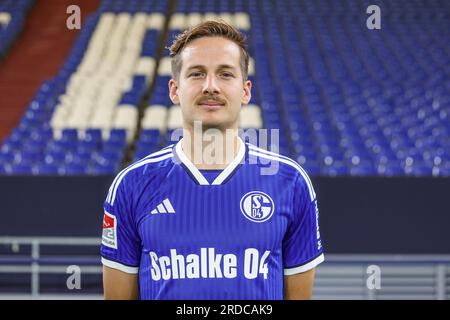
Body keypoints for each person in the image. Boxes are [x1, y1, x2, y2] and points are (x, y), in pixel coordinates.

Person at [101, 20, 324, 300]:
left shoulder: (290, 182)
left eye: (225, 74)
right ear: (174, 90)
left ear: (245, 91)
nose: (210, 86)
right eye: (196, 74)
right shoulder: (131, 185)